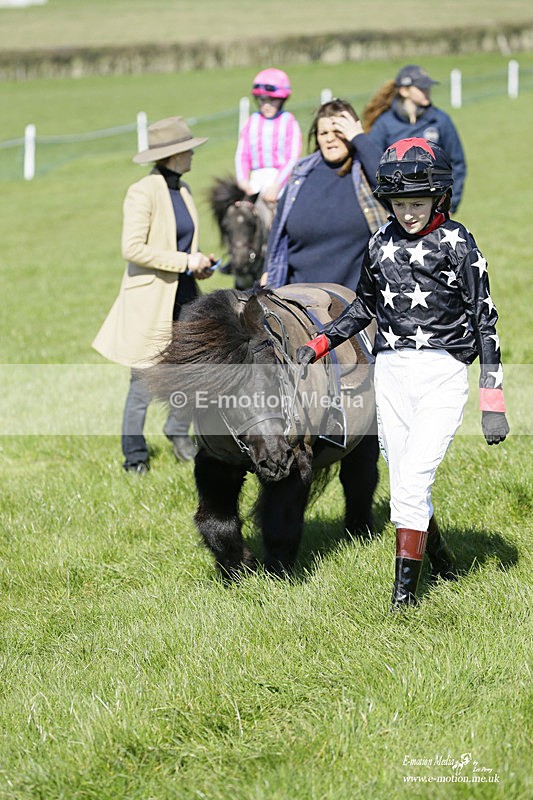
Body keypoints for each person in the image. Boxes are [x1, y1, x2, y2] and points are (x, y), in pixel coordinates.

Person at [296, 137, 509, 611]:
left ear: (438, 197)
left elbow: (485, 320)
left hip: (442, 372)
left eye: (417, 203)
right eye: (398, 204)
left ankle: (403, 602)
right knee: (408, 485)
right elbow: (364, 307)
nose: (407, 213)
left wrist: (492, 402)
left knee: (411, 484)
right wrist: (320, 342)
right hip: (390, 373)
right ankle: (443, 561)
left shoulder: (458, 242)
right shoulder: (380, 242)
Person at [92, 116, 216, 473]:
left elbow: (181, 243)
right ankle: (134, 457)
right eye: (189, 148)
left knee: (193, 368)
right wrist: (184, 261)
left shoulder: (184, 190)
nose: (193, 153)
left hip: (186, 294)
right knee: (143, 381)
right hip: (150, 300)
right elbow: (132, 248)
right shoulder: (142, 191)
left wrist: (199, 263)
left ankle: (178, 430)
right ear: (174, 154)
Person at [264, 98, 388, 290]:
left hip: (356, 299)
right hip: (299, 299)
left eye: (338, 131)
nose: (330, 138)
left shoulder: (365, 171)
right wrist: (267, 271)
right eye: (323, 133)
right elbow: (279, 228)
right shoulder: (301, 174)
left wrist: (359, 139)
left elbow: (389, 182)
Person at [363, 64, 466, 213]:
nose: (427, 91)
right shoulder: (384, 124)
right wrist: (389, 205)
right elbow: (372, 163)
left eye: (427, 87)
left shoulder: (440, 120)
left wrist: (450, 204)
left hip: (434, 204)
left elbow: (457, 163)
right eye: (421, 88)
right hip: (397, 206)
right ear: (404, 91)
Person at [234, 67, 302, 207]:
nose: (266, 105)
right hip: (254, 182)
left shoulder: (289, 121)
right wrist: (243, 181)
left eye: (272, 100)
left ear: (282, 100)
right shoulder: (251, 121)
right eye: (262, 100)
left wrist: (277, 185)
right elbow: (242, 155)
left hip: (280, 183)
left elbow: (292, 158)